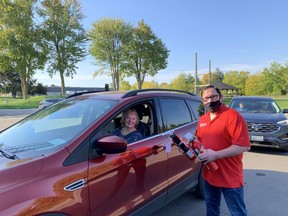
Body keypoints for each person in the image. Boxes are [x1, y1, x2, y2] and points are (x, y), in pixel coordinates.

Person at [196, 85, 250, 216]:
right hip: (210, 174)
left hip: (229, 176)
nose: (210, 100)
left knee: (237, 212)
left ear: (221, 97)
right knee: (212, 207)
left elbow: (244, 146)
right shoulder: (203, 119)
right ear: (203, 101)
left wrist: (215, 155)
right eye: (206, 98)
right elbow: (200, 142)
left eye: (214, 96)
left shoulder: (233, 116)